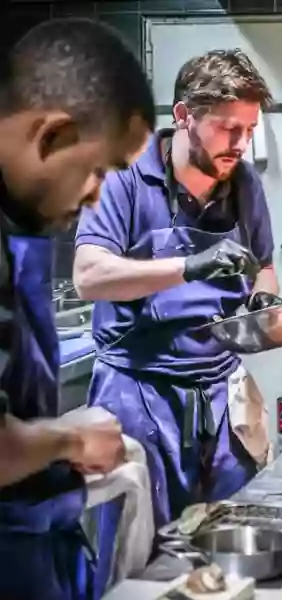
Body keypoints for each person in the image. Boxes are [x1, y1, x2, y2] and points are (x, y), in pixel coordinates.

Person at [74, 49, 282, 529]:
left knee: (229, 531)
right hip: (138, 391)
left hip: (220, 392)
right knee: (139, 544)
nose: (241, 144)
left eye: (249, 130)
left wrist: (263, 301)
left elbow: (265, 266)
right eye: (229, 128)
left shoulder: (244, 183)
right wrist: (189, 266)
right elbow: (88, 276)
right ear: (184, 116)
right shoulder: (124, 175)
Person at [0, 18, 157, 600]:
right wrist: (67, 439)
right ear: (54, 135)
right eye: (100, 170)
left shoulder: (18, 222)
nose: (96, 196)